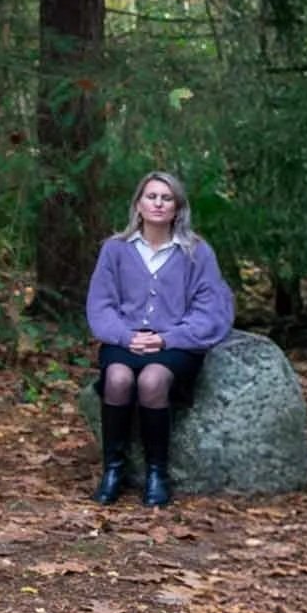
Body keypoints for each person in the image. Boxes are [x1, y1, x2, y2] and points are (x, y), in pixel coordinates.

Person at [84, 170, 235, 508]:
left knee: (152, 380)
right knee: (118, 377)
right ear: (138, 204)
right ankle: (113, 470)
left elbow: (210, 310)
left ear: (177, 207)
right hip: (125, 341)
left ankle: (157, 473)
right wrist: (125, 336)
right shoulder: (115, 249)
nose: (158, 203)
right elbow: (101, 304)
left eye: (166, 198)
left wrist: (168, 339)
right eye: (151, 196)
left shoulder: (197, 252)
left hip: (177, 344)